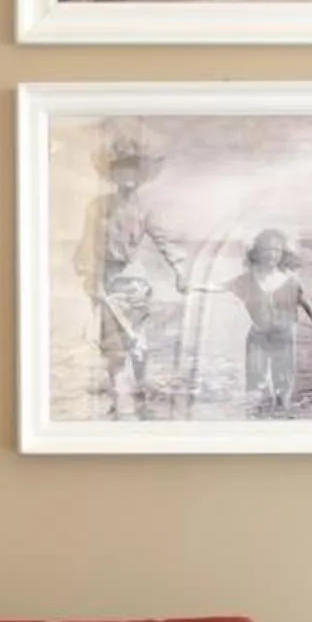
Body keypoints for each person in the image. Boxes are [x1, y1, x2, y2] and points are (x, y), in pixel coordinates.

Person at [71, 133, 184, 418]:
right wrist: (91, 277)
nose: (126, 175)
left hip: (134, 280)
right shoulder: (97, 206)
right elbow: (88, 243)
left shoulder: (146, 209)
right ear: (112, 174)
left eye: (131, 169)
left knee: (138, 341)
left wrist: (180, 272)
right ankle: (116, 396)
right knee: (112, 342)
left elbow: (165, 241)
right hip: (105, 277)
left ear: (140, 175)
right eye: (120, 169)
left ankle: (141, 388)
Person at [219, 227, 312, 416]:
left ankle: (281, 422)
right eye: (267, 249)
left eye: (276, 250)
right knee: (255, 386)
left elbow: (307, 305)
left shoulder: (291, 281)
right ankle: (255, 423)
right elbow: (220, 286)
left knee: (282, 387)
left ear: (283, 253)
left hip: (284, 337)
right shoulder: (247, 280)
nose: (271, 254)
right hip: (258, 337)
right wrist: (191, 287)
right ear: (257, 253)